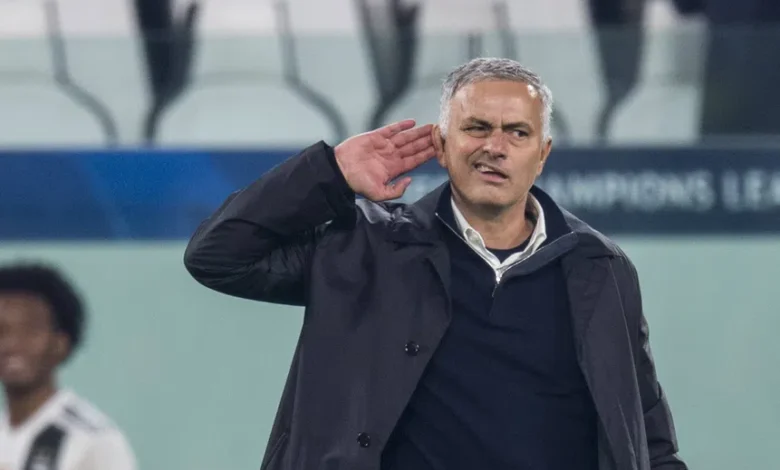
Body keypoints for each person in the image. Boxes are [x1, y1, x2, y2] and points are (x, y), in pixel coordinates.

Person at [184, 57, 687, 470]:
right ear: (441, 146)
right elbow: (218, 255)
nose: (495, 147)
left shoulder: (600, 267)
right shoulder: (364, 247)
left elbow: (647, 434)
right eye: (476, 128)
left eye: (517, 133)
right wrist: (330, 172)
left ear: (542, 154)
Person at [0, 263, 138, 470]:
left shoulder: (92, 441)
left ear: (60, 343)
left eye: (30, 331)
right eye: (1, 330)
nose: (11, 345)